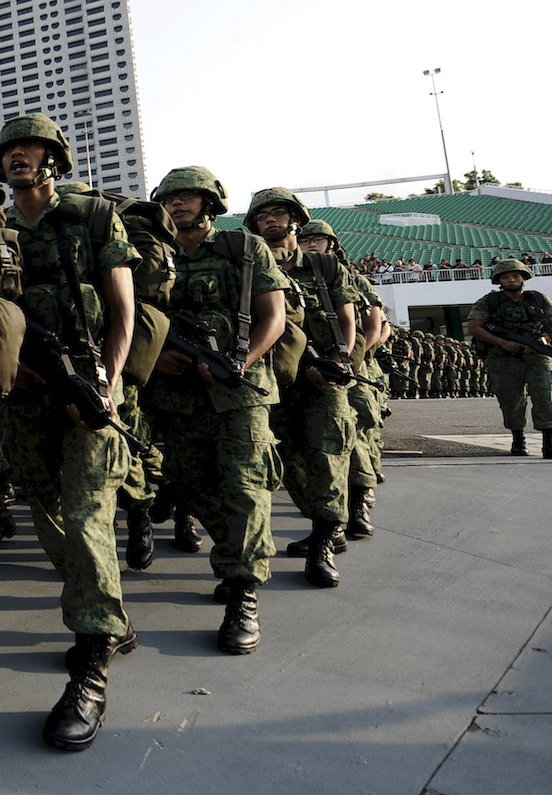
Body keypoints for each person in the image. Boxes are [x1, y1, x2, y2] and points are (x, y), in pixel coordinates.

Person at [0, 116, 140, 748]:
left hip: (89, 390)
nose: (19, 157)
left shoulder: (94, 217)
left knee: (85, 515)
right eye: (10, 151)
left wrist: (106, 385)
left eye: (31, 149)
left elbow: (123, 309)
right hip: (26, 396)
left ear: (54, 159)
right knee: (47, 511)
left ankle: (92, 659)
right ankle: (105, 610)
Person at [142, 167, 287, 653]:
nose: (177, 204)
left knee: (244, 488)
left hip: (239, 392)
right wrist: (156, 359)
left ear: (209, 203)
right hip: (178, 396)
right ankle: (239, 552)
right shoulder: (152, 255)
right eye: (169, 198)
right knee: (190, 483)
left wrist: (240, 362)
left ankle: (243, 592)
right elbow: (135, 319)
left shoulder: (243, 248)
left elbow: (274, 317)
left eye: (188, 196)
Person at [247, 189, 358, 588]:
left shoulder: (324, 266)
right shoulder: (249, 265)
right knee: (287, 461)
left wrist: (340, 361)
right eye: (262, 216)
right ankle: (321, 524)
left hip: (323, 376)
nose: (270, 220)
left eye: (278, 212)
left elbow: (346, 319)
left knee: (328, 459)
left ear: (295, 219)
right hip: (276, 378)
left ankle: (324, 543)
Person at [299, 220, 389, 542]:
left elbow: (374, 324)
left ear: (332, 243)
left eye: (318, 239)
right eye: (305, 239)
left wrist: (353, 361)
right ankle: (329, 517)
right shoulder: (290, 273)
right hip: (307, 364)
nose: (311, 244)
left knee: (353, 430)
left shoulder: (350, 277)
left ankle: (359, 503)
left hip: (349, 362)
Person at [466, 259, 552, 458]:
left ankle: (550, 443)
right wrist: (502, 342)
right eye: (506, 277)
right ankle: (518, 439)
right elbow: (474, 327)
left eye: (515, 276)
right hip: (503, 358)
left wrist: (544, 340)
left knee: (546, 396)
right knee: (511, 400)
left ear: (523, 278)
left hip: (538, 355)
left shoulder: (538, 299)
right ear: (499, 281)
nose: (511, 280)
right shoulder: (489, 302)